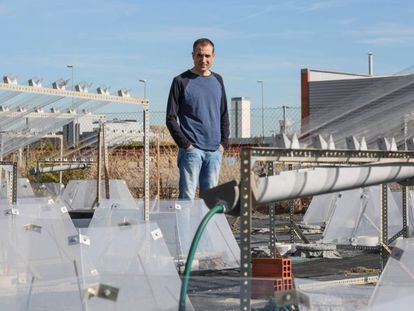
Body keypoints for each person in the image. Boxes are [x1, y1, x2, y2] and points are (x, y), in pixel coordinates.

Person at [166, 38, 229, 199]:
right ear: (193, 55)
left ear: (213, 56)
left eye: (207, 56)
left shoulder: (218, 80)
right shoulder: (181, 81)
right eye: (199, 55)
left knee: (210, 201)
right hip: (192, 152)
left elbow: (223, 114)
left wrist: (223, 144)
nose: (204, 60)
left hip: (215, 151)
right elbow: (171, 118)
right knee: (187, 199)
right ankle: (185, 226)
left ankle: (205, 226)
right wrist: (186, 145)